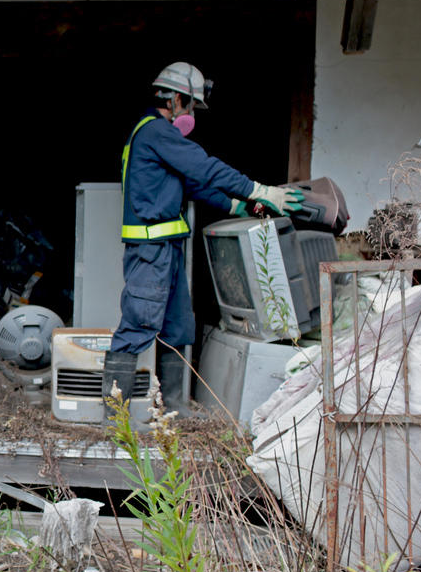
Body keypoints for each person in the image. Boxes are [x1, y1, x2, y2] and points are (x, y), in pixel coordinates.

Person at [102, 62, 303, 417]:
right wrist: (259, 189)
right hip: (150, 252)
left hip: (168, 249)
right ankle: (115, 419)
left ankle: (174, 410)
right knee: (138, 325)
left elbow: (192, 184)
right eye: (192, 105)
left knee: (178, 327)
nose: (192, 113)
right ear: (177, 99)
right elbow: (203, 167)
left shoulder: (159, 140)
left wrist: (236, 204)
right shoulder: (156, 133)